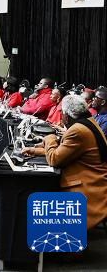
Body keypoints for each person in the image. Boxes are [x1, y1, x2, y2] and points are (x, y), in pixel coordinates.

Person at [21, 94, 107, 229]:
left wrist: (50, 138)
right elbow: (66, 152)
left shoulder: (77, 130)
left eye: (61, 113)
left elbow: (54, 159)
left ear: (66, 115)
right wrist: (35, 150)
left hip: (88, 190)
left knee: (34, 195)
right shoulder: (89, 122)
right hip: (95, 183)